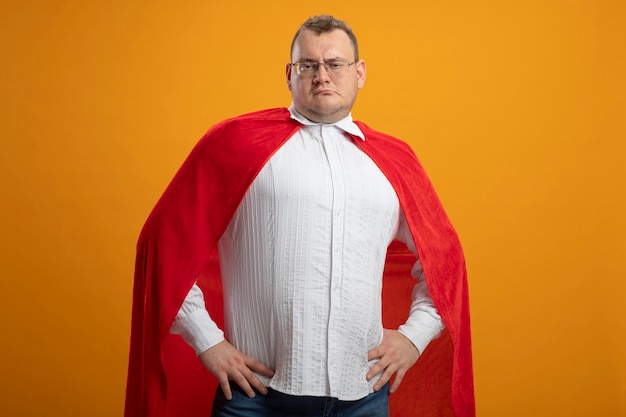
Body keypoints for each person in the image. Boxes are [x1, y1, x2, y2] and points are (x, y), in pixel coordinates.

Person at [125, 14, 475, 417]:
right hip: (255, 400)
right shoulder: (234, 145)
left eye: (335, 64)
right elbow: (164, 244)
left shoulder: (395, 161)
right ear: (290, 74)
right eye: (308, 65)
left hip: (363, 398)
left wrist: (414, 337)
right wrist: (208, 342)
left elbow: (444, 263)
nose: (322, 75)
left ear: (359, 73)